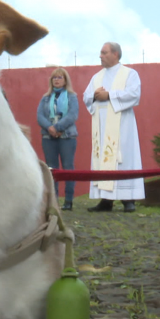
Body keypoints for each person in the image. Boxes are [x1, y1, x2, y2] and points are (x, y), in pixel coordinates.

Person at [83, 42, 144, 213]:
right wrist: (95, 96)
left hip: (123, 125)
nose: (100, 56)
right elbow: (86, 96)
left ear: (115, 54)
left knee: (124, 158)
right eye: (100, 53)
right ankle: (106, 199)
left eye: (104, 52)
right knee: (104, 158)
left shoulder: (130, 74)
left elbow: (134, 94)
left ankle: (128, 198)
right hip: (102, 126)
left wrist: (109, 95)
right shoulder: (97, 77)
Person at [37, 67, 78, 211]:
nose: (57, 80)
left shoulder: (72, 97)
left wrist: (59, 127)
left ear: (65, 80)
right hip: (49, 137)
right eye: (54, 77)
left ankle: (68, 200)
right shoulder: (45, 98)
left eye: (60, 77)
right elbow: (40, 116)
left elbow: (73, 115)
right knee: (51, 169)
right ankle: (53, 201)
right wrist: (50, 128)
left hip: (67, 137)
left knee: (68, 168)